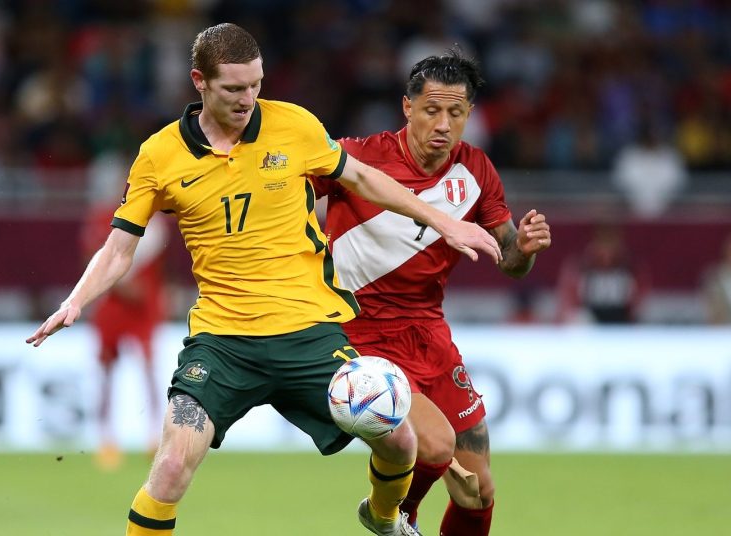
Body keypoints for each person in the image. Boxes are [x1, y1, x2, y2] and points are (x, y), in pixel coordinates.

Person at [27, 23, 501, 536]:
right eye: (234, 88)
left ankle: (384, 518)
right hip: (223, 343)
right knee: (170, 466)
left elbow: (364, 178)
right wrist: (77, 301)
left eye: (255, 84)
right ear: (200, 82)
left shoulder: (294, 126)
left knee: (401, 441)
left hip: (310, 334)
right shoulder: (159, 156)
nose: (248, 99)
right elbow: (120, 247)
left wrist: (445, 222)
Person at [314, 52, 552, 535]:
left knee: (478, 490)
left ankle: (395, 515)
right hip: (361, 335)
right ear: (407, 107)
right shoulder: (357, 159)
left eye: (456, 113)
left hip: (429, 334)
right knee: (437, 446)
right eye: (432, 110)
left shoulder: (476, 170)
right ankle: (391, 514)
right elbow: (282, 194)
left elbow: (510, 261)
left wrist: (524, 249)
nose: (444, 125)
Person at [80, 200, 169, 470]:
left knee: (149, 368)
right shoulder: (104, 217)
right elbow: (92, 256)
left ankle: (155, 436)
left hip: (143, 307)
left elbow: (164, 264)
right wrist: (121, 285)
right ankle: (106, 438)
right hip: (112, 304)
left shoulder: (158, 221)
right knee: (107, 371)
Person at [556, 225, 647, 324]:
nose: (606, 251)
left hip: (622, 320)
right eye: (603, 244)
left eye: (610, 244)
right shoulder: (580, 266)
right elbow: (569, 299)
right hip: (588, 319)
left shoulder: (630, 267)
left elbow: (640, 297)